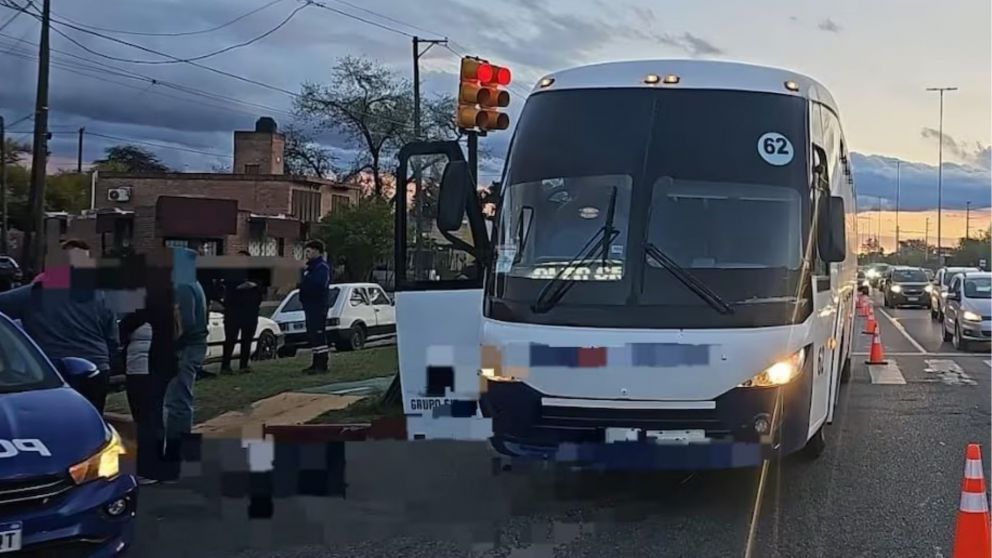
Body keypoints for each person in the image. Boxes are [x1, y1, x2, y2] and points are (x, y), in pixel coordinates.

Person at [0, 239, 118, 412]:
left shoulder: (35, 293)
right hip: (96, 369)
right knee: (91, 424)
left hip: (53, 373)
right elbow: (113, 339)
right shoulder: (103, 296)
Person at [161, 246, 208, 480]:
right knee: (181, 398)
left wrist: (168, 342)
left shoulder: (182, 286)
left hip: (186, 348)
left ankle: (177, 454)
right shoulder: (192, 283)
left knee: (178, 400)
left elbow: (184, 322)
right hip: (194, 346)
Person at [220, 250, 264, 373]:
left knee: (247, 339)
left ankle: (244, 364)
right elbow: (228, 288)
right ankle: (225, 366)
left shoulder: (255, 275)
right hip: (233, 312)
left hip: (250, 312)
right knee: (230, 339)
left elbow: (260, 290)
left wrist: (253, 286)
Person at [299, 239, 331, 374]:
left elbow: (318, 285)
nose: (307, 253)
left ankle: (321, 364)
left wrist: (306, 287)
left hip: (318, 306)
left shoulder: (321, 268)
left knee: (318, 334)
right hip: (309, 305)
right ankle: (315, 362)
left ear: (317, 251)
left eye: (309, 251)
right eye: (306, 251)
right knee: (312, 334)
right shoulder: (310, 268)